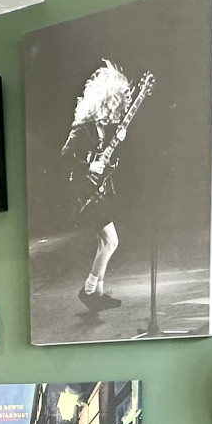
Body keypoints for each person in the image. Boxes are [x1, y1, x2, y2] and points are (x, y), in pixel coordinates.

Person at [62, 61, 149, 311]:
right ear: (100, 99)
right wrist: (88, 167)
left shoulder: (102, 130)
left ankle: (97, 295)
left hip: (95, 191)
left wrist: (118, 139)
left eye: (116, 104)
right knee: (111, 241)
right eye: (110, 102)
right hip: (83, 192)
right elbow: (65, 156)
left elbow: (105, 158)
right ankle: (88, 290)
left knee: (104, 242)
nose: (113, 107)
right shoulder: (83, 128)